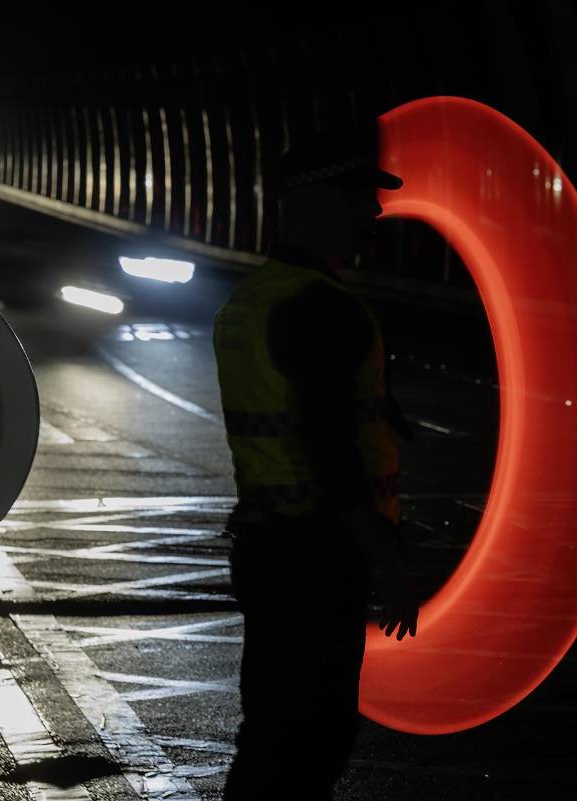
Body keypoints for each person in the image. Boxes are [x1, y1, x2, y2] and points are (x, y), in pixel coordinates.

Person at [213, 126, 419, 801]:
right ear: (314, 202)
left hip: (269, 548)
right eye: (360, 198)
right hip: (315, 557)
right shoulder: (322, 308)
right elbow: (329, 449)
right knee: (311, 743)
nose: (374, 214)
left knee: (273, 734)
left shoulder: (257, 297)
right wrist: (384, 556)